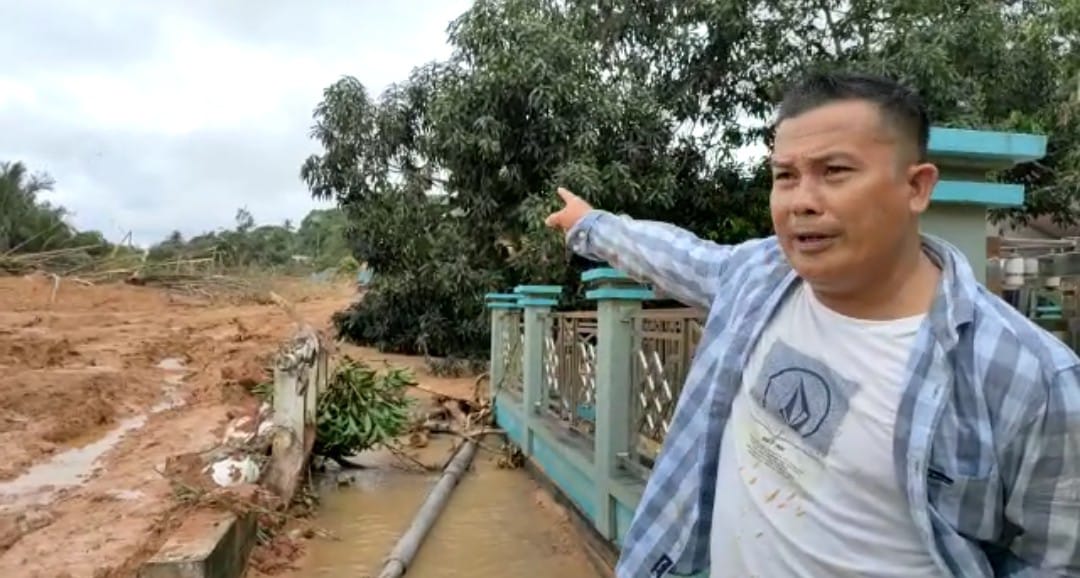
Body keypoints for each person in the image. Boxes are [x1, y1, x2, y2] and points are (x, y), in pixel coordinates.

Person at [545, 72, 1080, 577]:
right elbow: (677, 256)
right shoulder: (760, 278)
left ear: (916, 187)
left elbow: (1056, 559)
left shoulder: (1027, 377)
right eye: (786, 176)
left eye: (835, 172)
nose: (802, 201)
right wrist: (589, 225)